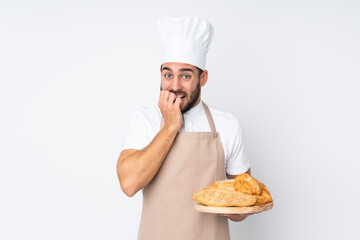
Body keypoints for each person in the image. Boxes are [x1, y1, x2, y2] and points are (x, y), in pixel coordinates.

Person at [117, 16, 252, 240]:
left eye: (186, 75)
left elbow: (244, 204)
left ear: (203, 78)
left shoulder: (228, 126)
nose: (175, 86)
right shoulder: (144, 119)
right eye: (168, 74)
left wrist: (235, 209)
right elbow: (129, 184)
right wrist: (170, 126)